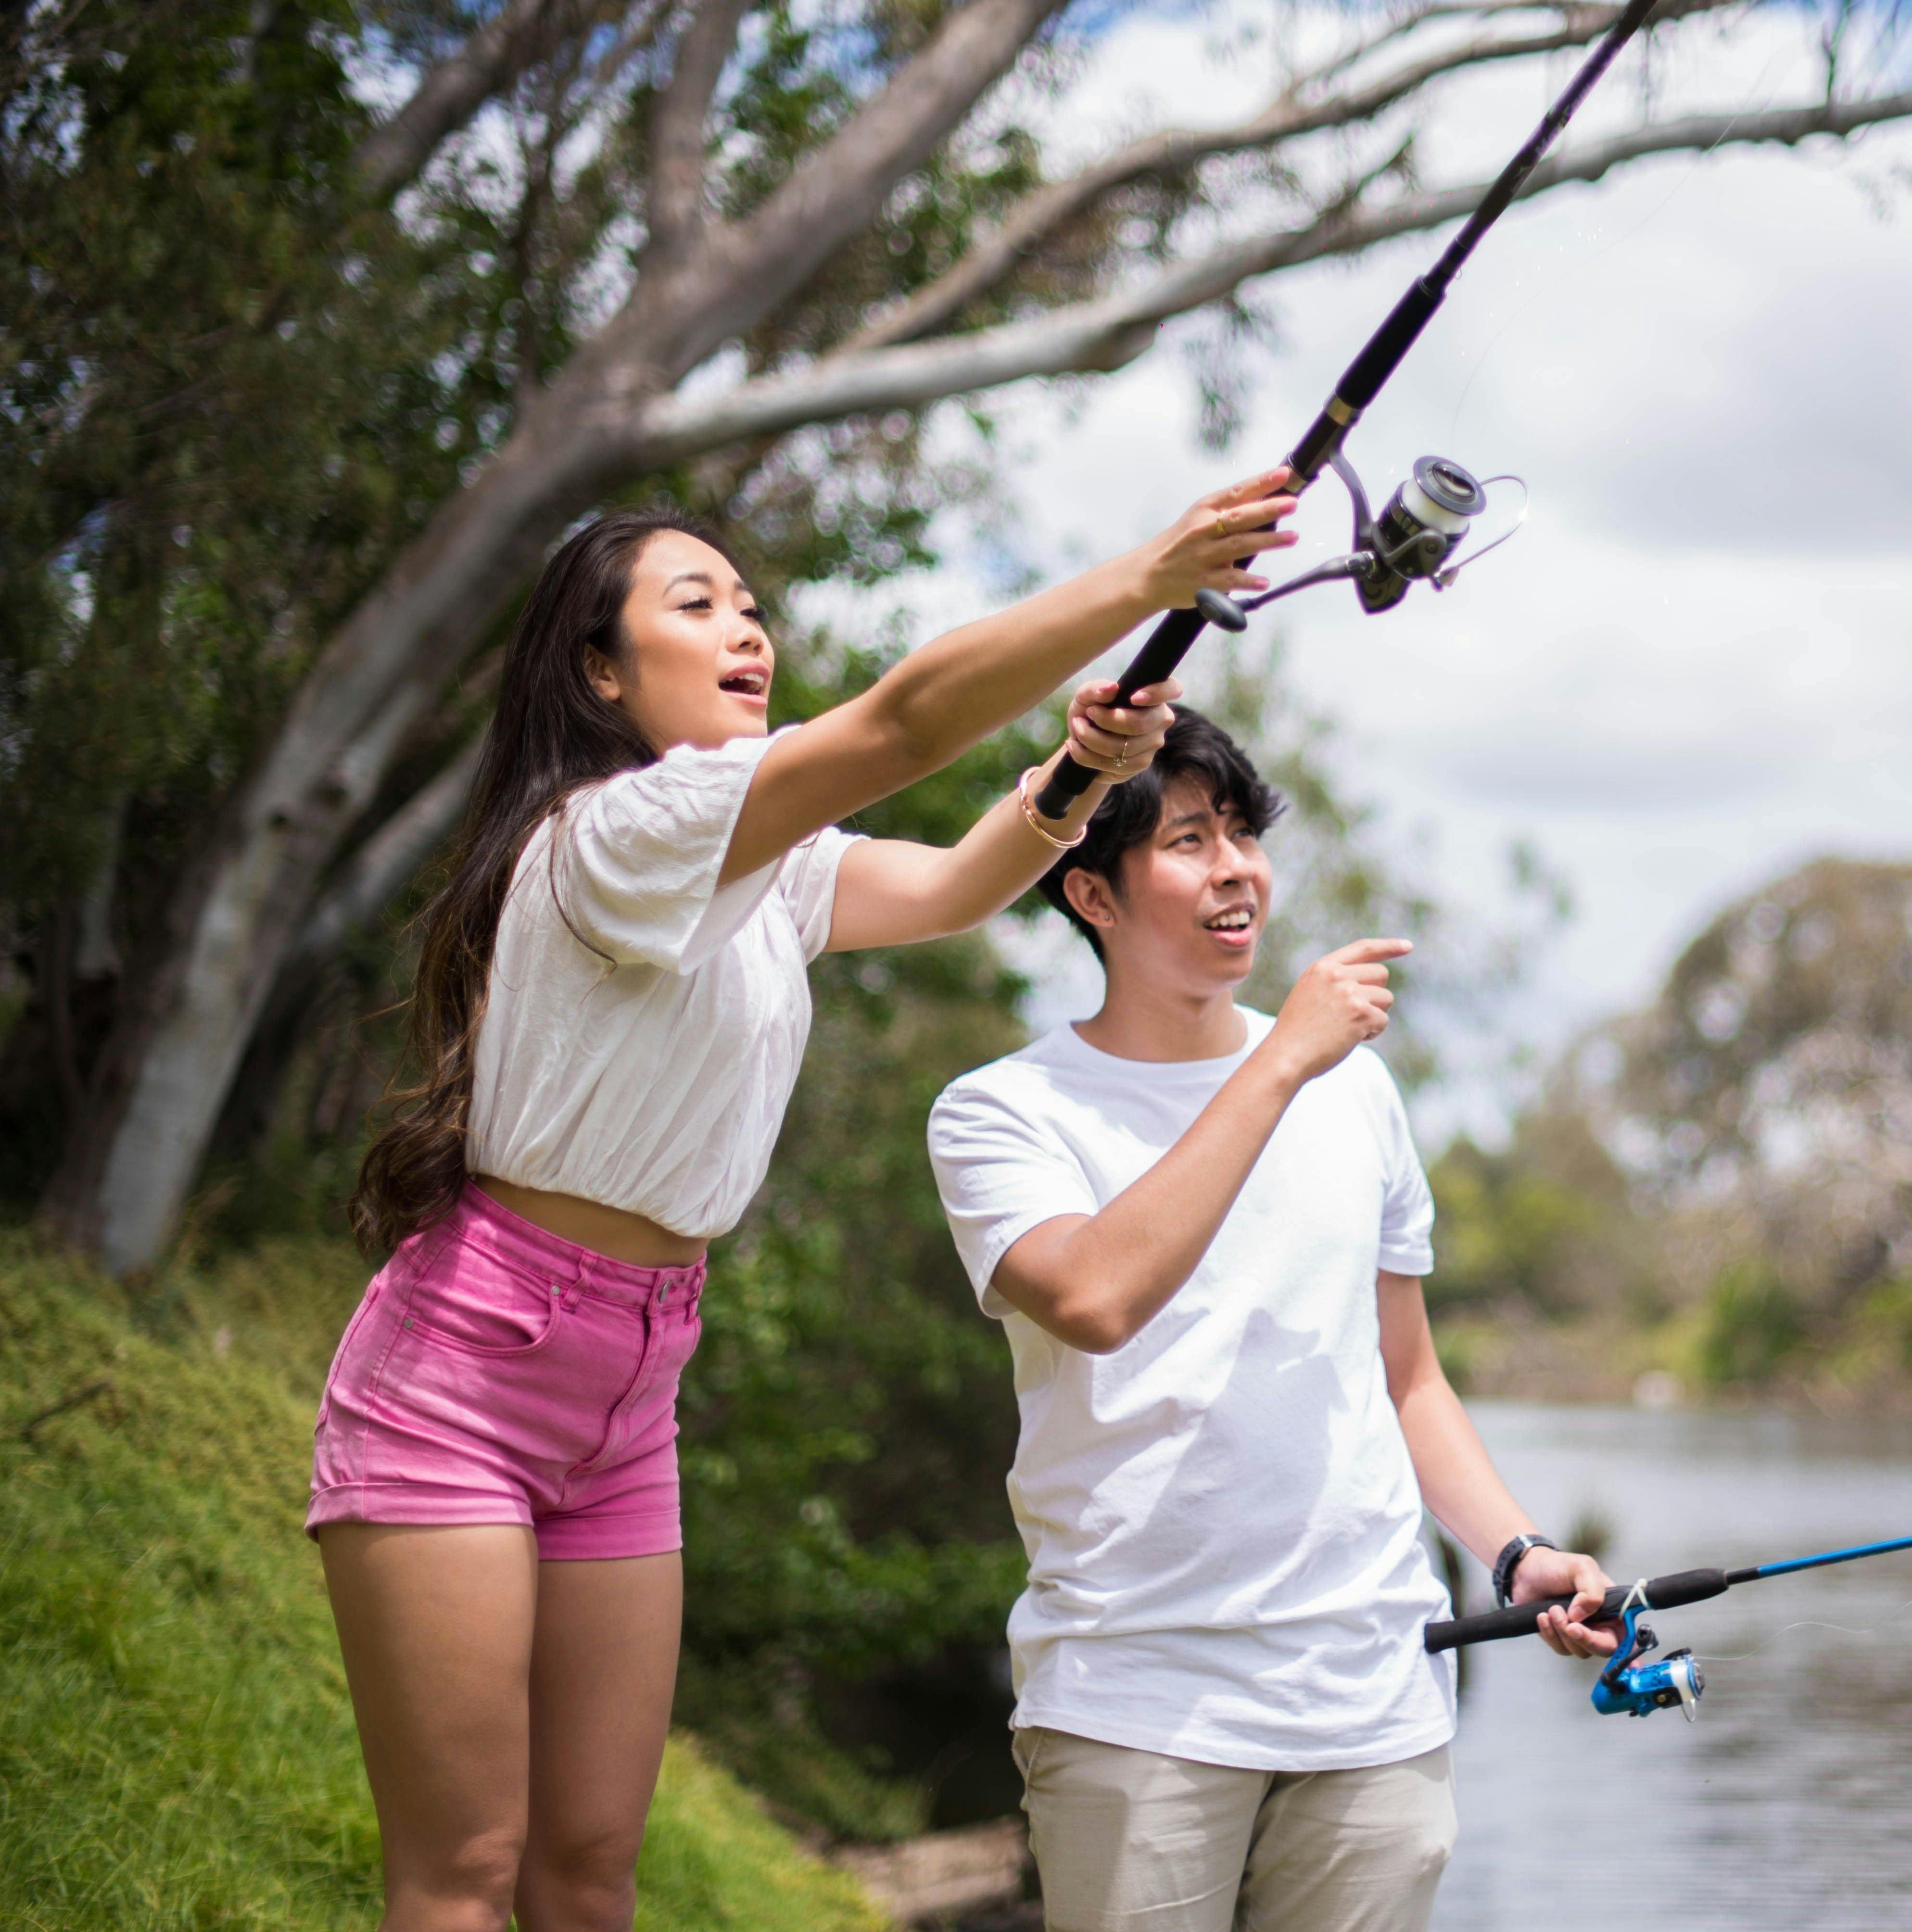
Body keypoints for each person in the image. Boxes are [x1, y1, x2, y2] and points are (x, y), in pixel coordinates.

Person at [310, 470, 1301, 1932]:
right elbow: (899, 727)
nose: (748, 630)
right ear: (599, 672)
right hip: (469, 1372)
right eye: (697, 605)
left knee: (586, 1877)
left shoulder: (760, 860)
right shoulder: (622, 829)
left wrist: (1078, 775)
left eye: (753, 606)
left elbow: (951, 887)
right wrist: (1147, 578)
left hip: (634, 1381)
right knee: (460, 1872)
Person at [925, 711, 1619, 1932]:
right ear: (1091, 891)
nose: (1235, 868)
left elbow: (1407, 1378)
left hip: (1371, 1696)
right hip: (1134, 1693)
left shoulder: (1355, 1089)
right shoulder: (1005, 1112)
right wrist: (1281, 1061)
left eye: (1242, 833)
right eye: (1189, 840)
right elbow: (1093, 1297)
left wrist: (1518, 1555)